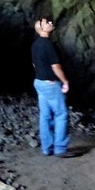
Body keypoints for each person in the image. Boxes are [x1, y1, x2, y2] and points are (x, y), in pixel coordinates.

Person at [31, 16, 75, 158]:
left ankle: (46, 148)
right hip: (50, 83)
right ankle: (60, 149)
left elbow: (34, 64)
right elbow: (55, 66)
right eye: (46, 22)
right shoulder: (48, 44)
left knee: (45, 116)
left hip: (39, 82)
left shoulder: (35, 45)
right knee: (61, 114)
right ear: (41, 28)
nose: (50, 23)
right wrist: (65, 81)